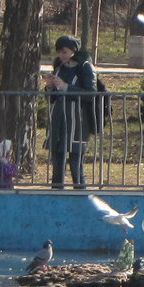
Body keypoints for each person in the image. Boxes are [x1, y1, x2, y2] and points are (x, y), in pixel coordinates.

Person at [44, 34, 101, 189]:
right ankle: (56, 195)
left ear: (73, 51)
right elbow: (52, 99)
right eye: (59, 52)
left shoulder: (85, 67)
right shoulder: (59, 68)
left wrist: (66, 87)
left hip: (77, 121)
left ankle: (81, 196)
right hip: (58, 120)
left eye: (64, 52)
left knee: (76, 164)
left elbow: (91, 94)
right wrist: (50, 87)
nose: (61, 55)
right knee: (57, 163)